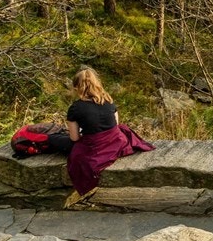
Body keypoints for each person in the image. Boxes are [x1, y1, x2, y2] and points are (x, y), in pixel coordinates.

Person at [65, 66, 153, 197]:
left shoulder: (75, 108)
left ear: (77, 87)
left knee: (61, 142)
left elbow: (75, 138)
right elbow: (115, 124)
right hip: (116, 142)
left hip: (96, 146)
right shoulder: (108, 101)